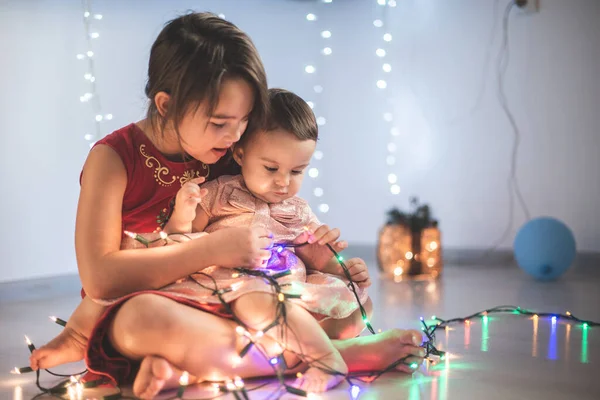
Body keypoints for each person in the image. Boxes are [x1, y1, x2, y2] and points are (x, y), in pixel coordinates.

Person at [29, 11, 425, 399]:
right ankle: (338, 356)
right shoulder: (113, 159)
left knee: (350, 307)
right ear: (165, 105)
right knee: (142, 320)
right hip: (147, 303)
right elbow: (101, 278)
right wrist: (211, 248)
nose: (236, 135)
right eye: (220, 123)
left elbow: (271, 221)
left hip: (237, 299)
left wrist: (314, 253)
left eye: (245, 119)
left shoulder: (230, 148)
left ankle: (183, 369)